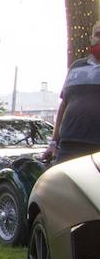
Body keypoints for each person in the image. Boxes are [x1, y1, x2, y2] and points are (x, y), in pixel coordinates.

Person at [44, 21, 100, 164]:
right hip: (68, 146)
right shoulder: (76, 67)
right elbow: (64, 104)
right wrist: (53, 143)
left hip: (97, 148)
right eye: (98, 35)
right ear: (91, 38)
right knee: (65, 185)